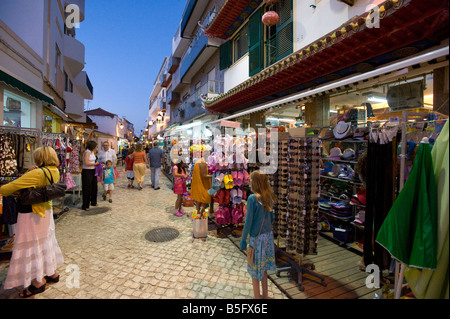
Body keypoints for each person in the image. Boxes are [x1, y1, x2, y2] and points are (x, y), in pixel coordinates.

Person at [0, 146, 64, 298]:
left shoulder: (37, 173)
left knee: (32, 245)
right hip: (46, 213)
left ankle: (37, 282)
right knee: (44, 243)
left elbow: (7, 189)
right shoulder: (54, 171)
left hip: (31, 215)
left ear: (40, 158)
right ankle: (52, 273)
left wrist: (27, 174)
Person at [240, 170, 277, 299]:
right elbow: (272, 218)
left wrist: (243, 239)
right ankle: (265, 296)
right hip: (268, 237)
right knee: (264, 269)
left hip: (257, 239)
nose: (249, 183)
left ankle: (257, 298)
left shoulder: (252, 198)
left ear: (255, 182)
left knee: (255, 270)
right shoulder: (269, 196)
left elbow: (248, 222)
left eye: (250, 180)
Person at [81, 140, 99, 211]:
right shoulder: (87, 152)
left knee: (94, 186)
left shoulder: (92, 152)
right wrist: (95, 164)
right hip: (87, 171)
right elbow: (86, 163)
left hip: (93, 170)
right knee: (87, 188)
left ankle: (93, 201)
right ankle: (85, 204)